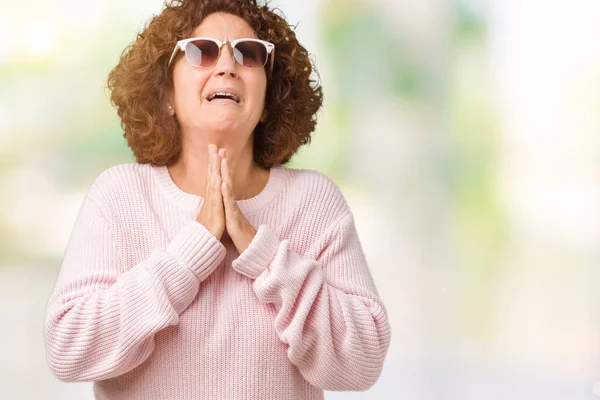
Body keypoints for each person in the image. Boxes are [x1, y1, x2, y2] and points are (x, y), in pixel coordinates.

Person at [43, 0, 392, 398]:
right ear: (167, 95)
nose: (227, 65)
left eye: (249, 53)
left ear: (268, 101)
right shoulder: (120, 196)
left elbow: (362, 363)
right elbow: (68, 350)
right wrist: (191, 251)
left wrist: (260, 249)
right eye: (202, 50)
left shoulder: (313, 201)